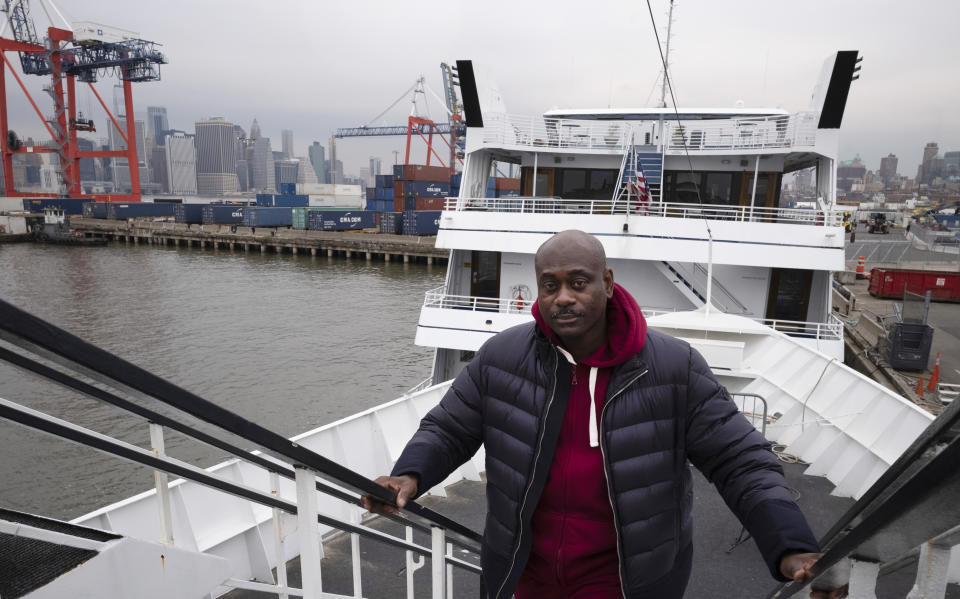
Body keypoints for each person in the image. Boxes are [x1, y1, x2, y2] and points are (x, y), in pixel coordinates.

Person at [364, 230, 834, 599]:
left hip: (627, 581)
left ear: (607, 283)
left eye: (577, 282)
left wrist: (790, 545)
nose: (563, 296)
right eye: (550, 285)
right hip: (525, 573)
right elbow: (449, 428)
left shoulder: (674, 367)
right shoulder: (500, 358)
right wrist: (409, 475)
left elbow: (741, 461)